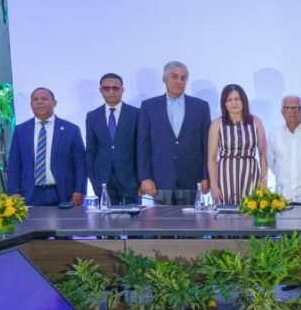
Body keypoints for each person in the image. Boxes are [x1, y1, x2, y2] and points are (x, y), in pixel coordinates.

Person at [137, 61, 211, 205]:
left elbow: (206, 144)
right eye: (174, 77)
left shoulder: (200, 106)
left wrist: (206, 176)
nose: (179, 81)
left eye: (183, 78)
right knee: (162, 225)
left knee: (191, 225)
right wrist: (145, 177)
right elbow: (143, 145)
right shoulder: (149, 106)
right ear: (164, 79)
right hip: (160, 179)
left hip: (192, 179)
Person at [6, 87, 86, 206]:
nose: (39, 102)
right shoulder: (21, 130)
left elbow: (80, 164)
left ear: (54, 102)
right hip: (29, 194)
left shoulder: (71, 130)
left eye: (44, 98)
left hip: (63, 194)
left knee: (65, 225)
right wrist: (13, 191)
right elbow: (14, 164)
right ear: (31, 104)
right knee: (31, 225)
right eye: (35, 99)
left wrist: (80, 190)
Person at [207, 84, 268, 205]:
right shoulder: (217, 124)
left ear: (243, 101)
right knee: (225, 216)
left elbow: (263, 154)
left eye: (237, 99)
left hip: (250, 174)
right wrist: (214, 185)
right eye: (229, 100)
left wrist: (264, 180)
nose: (233, 103)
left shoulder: (256, 122)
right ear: (224, 103)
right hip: (225, 176)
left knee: (251, 211)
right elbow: (212, 158)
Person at [85, 73, 138, 204]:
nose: (111, 92)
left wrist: (141, 179)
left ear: (122, 90)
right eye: (106, 88)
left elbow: (141, 149)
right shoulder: (93, 116)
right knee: (106, 221)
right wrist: (93, 178)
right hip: (102, 180)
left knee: (134, 221)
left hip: (130, 179)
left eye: (115, 88)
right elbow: (91, 149)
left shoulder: (136, 114)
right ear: (100, 90)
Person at [266, 95, 301, 205]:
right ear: (282, 112)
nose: (292, 112)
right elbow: (272, 164)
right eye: (287, 108)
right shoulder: (274, 135)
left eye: (296, 108)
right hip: (282, 200)